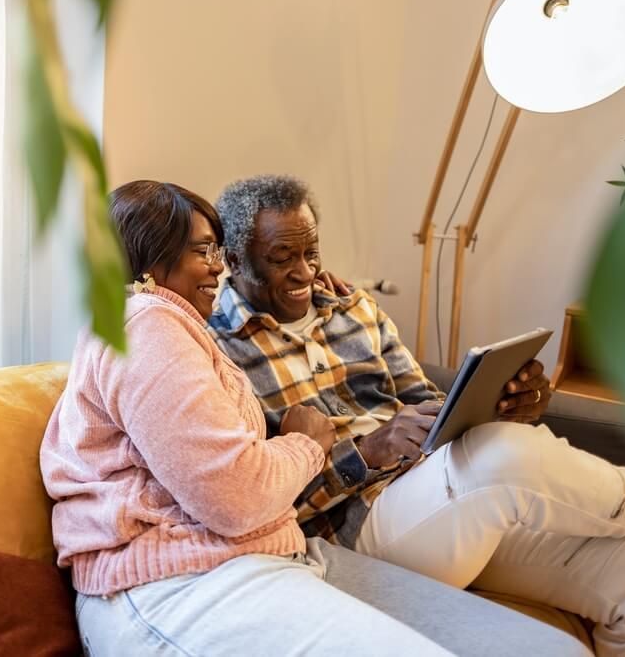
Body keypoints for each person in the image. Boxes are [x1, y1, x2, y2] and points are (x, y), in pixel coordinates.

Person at [40, 180, 590, 656]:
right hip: (177, 583)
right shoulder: (145, 325)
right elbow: (235, 496)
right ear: (147, 259)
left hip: (273, 557)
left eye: (217, 250)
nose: (217, 267)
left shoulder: (170, 330)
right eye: (204, 251)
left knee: (546, 649)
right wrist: (307, 443)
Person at [208, 173, 625, 657]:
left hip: (442, 502)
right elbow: (255, 500)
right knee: (501, 457)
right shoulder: (216, 352)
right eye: (281, 258)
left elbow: (426, 400)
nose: (305, 272)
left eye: (311, 252)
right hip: (359, 529)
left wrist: (504, 405)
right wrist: (368, 451)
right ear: (233, 259)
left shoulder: (352, 307)